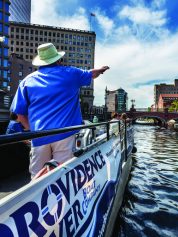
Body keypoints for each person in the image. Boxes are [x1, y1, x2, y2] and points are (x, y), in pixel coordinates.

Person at [10, 42, 109, 178]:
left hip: (38, 137)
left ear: (40, 62)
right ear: (58, 60)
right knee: (63, 174)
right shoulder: (71, 73)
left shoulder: (26, 81)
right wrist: (101, 70)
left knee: (37, 177)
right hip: (64, 134)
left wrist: (32, 131)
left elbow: (20, 115)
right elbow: (92, 74)